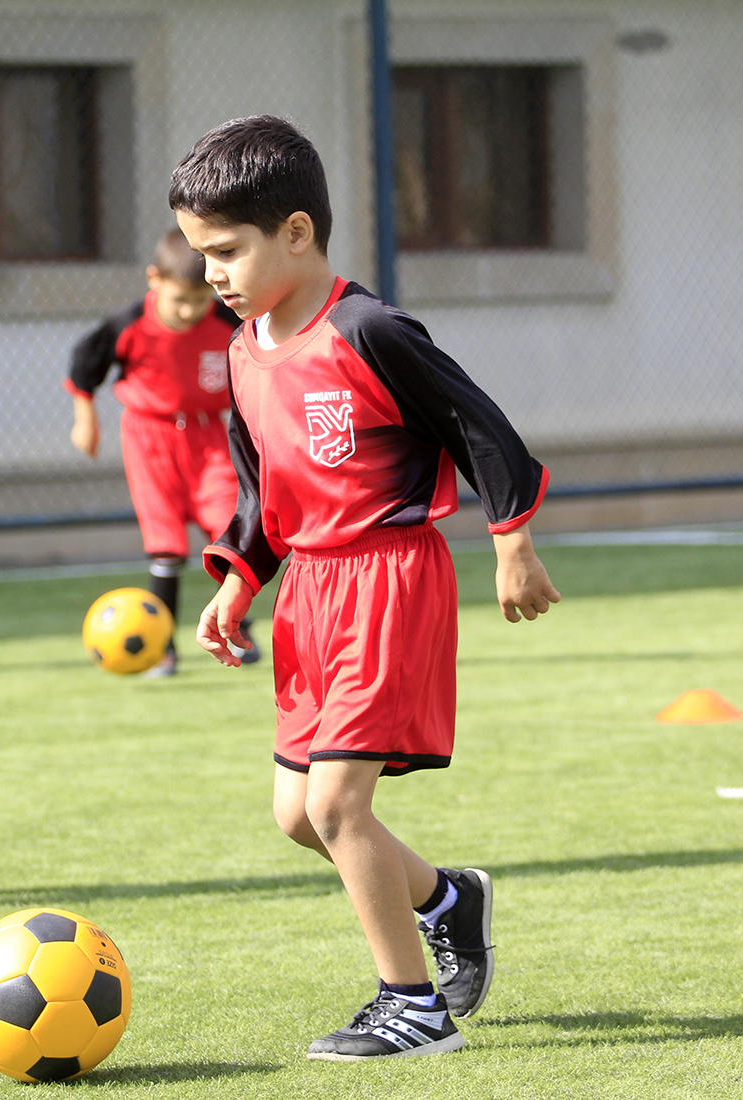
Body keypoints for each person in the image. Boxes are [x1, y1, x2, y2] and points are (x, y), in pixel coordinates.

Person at [172, 116, 561, 1058]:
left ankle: (413, 1007)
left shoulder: (369, 329)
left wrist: (513, 541)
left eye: (227, 251)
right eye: (200, 255)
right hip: (309, 590)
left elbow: (482, 428)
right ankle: (447, 897)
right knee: (297, 816)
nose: (211, 274)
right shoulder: (242, 349)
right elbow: (267, 489)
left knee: (340, 805)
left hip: (389, 578)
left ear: (296, 232)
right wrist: (238, 581)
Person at [67, 229, 259, 675]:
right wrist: (85, 419)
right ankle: (162, 647)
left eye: (201, 299)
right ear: (154, 280)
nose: (192, 310)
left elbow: (259, 364)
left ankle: (237, 628)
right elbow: (84, 366)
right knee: (167, 544)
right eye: (181, 301)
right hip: (149, 439)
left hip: (212, 438)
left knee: (230, 529)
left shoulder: (227, 322)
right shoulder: (128, 324)